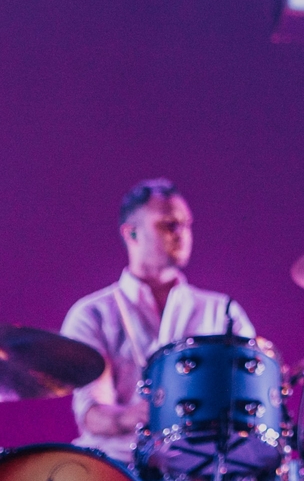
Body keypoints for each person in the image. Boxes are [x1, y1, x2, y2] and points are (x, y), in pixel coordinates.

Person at [61, 179, 254, 462]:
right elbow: (93, 415)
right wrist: (142, 413)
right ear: (132, 234)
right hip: (116, 467)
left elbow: (249, 401)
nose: (182, 234)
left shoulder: (223, 311)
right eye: (168, 225)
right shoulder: (93, 314)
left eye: (186, 224)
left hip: (202, 468)